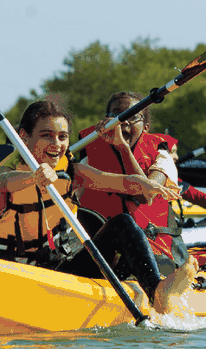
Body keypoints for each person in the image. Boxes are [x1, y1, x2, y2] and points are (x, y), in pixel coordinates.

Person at [0, 96, 197, 314]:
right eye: (46, 136)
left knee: (122, 224)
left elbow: (119, 181)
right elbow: (1, 183)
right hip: (15, 273)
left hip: (62, 272)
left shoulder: (71, 172)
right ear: (23, 136)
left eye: (62, 136)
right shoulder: (4, 174)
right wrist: (34, 177)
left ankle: (157, 291)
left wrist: (147, 185)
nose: (56, 144)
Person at [77, 92, 188, 270]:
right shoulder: (90, 155)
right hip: (106, 250)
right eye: (116, 114)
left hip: (152, 250)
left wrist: (123, 148)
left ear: (145, 126)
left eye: (132, 116)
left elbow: (145, 196)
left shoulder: (162, 156)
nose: (123, 121)